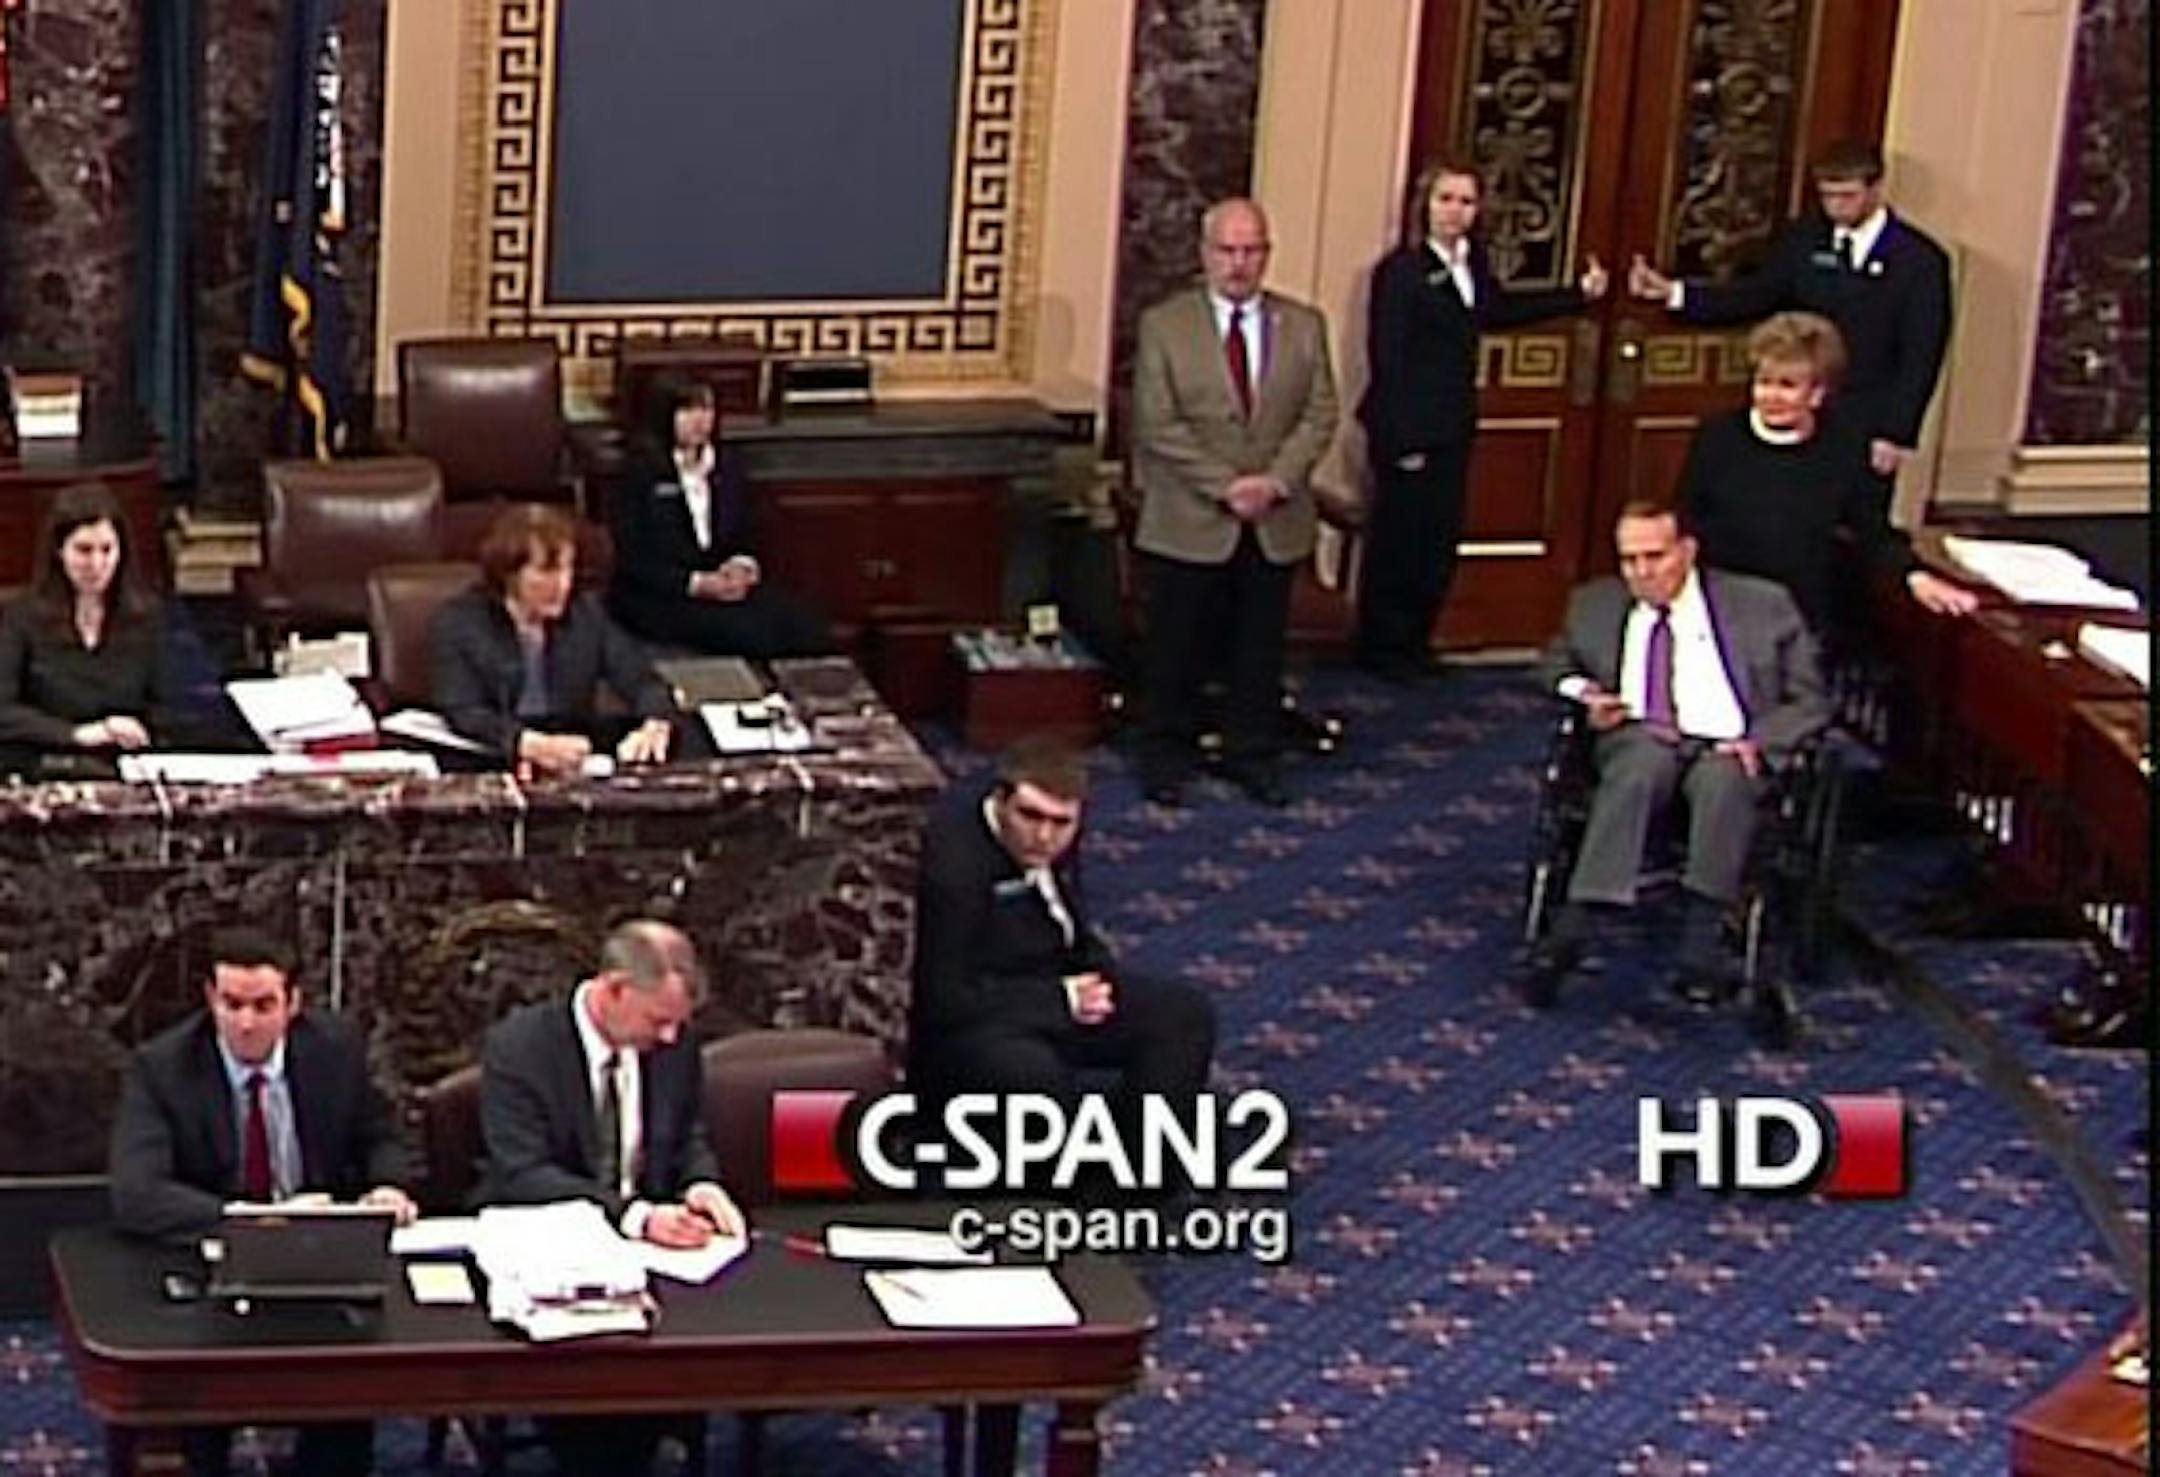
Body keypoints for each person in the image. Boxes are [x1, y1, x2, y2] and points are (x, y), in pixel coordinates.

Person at [107, 927, 415, 1477]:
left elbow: (382, 1135)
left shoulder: (335, 1049)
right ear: (210, 999)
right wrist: (248, 1222)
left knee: (345, 1399)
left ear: (293, 1003)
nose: (245, 1023)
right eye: (231, 1004)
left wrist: (387, 1186)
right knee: (199, 1409)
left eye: (263, 1006)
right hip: (212, 1257)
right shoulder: (163, 1067)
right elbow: (137, 1191)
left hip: (324, 1256)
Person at [1530, 503, 1828, 1026]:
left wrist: (1760, 741)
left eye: (1655, 556)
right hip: (1641, 734)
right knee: (1638, 768)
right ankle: (1578, 923)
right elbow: (1555, 663)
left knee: (1724, 781)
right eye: (1629, 560)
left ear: (1686, 552)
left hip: (1729, 741)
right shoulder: (1595, 605)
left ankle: (1701, 941)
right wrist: (1586, 693)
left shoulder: (1761, 605)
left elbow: (1810, 701)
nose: (1641, 572)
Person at [478, 918, 745, 1471]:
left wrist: (702, 1185)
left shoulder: (674, 1046)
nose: (669, 1037)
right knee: (607, 1419)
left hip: (660, 1263)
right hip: (555, 1257)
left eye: (677, 1024)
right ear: (615, 988)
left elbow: (686, 1134)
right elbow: (523, 1175)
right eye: (658, 1020)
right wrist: (637, 1217)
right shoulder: (520, 1047)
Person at [909, 738, 1216, 1193]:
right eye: (1031, 817)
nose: (1045, 836)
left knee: (1182, 1015)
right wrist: (1060, 1001)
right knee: (1033, 1078)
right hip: (981, 1019)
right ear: (1001, 800)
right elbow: (944, 999)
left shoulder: (1050, 841)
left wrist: (1097, 976)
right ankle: (1059, 1198)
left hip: (1054, 986)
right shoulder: (955, 870)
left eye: (1061, 823)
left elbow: (1066, 917)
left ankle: (1140, 1171)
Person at [1355, 155, 1609, 681]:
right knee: (1399, 539)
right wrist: (1402, 437)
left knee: (1437, 539)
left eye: (1465, 201)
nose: (1455, 211)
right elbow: (1389, 357)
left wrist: (1575, 297)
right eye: (1445, 199)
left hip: (1452, 424)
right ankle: (1383, 647)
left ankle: (1417, 642)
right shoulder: (1401, 272)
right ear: (1424, 205)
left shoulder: (1471, 265)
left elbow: (1499, 310)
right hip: (1408, 428)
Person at [1130, 196, 1339, 809]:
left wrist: (1274, 481)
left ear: (1267, 255)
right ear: (1204, 254)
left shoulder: (1303, 325)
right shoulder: (1165, 325)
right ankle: (1167, 755)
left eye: (1251, 251)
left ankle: (1252, 754)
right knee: (1177, 647)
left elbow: (1319, 413)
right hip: (1191, 518)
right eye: (1228, 250)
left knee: (1259, 649)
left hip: (1274, 521)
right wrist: (1226, 485)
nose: (1239, 264)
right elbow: (1157, 423)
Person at [1630, 139, 1953, 486]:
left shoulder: (1919, 261)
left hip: (1866, 419)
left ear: (1875, 190)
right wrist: (1676, 293)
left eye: (1847, 196)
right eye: (1828, 196)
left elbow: (1921, 354)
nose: (1836, 207)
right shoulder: (1803, 240)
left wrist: (1896, 432)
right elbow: (1756, 294)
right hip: (1802, 416)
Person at [1677, 311, 1979, 637]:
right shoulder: (1719, 438)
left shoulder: (1844, 445)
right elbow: (1688, 520)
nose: (1771, 396)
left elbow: (1870, 531)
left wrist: (1915, 576)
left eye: (1788, 385)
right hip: (1727, 606)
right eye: (1764, 382)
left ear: (1818, 393)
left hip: (1809, 613)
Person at [430, 502, 679, 775]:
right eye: (547, 571)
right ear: (509, 573)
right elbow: (463, 709)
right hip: (492, 760)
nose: (562, 584)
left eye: (567, 569)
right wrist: (527, 744)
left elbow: (641, 678)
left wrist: (656, 723)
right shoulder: (460, 621)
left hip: (571, 757)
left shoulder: (584, 614)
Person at [607, 373, 831, 659]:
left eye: (707, 409)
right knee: (752, 635)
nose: (700, 420)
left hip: (724, 586)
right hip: (663, 595)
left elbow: (749, 531)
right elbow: (633, 559)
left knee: (805, 627)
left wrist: (741, 566)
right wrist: (699, 583)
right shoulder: (639, 473)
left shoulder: (728, 466)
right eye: (688, 410)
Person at [0, 481, 191, 771]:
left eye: (107, 550)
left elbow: (168, 707)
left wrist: (138, 730)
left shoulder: (146, 616)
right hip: (45, 763)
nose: (97, 563)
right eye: (84, 550)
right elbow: (3, 710)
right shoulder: (21, 616)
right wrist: (78, 735)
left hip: (123, 765)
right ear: (59, 551)